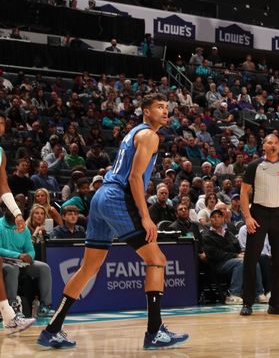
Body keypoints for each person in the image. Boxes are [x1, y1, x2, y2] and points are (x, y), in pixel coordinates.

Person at [38, 94, 189, 350]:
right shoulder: (150, 135)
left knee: (88, 268)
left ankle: (51, 330)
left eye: (167, 107)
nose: (166, 112)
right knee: (157, 260)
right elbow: (134, 178)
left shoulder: (134, 133)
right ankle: (154, 332)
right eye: (159, 107)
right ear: (145, 111)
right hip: (118, 196)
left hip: (101, 196)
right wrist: (145, 216)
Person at [240, 134, 279, 316]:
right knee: (251, 258)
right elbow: (243, 192)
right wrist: (248, 217)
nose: (273, 145)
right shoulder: (254, 166)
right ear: (263, 146)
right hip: (259, 213)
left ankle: (275, 303)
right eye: (269, 142)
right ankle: (247, 302)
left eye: (276, 143)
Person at [0, 113, 37, 334]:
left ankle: (8, 316)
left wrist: (17, 213)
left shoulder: (1, 153)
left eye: (2, 122)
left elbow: (3, 186)